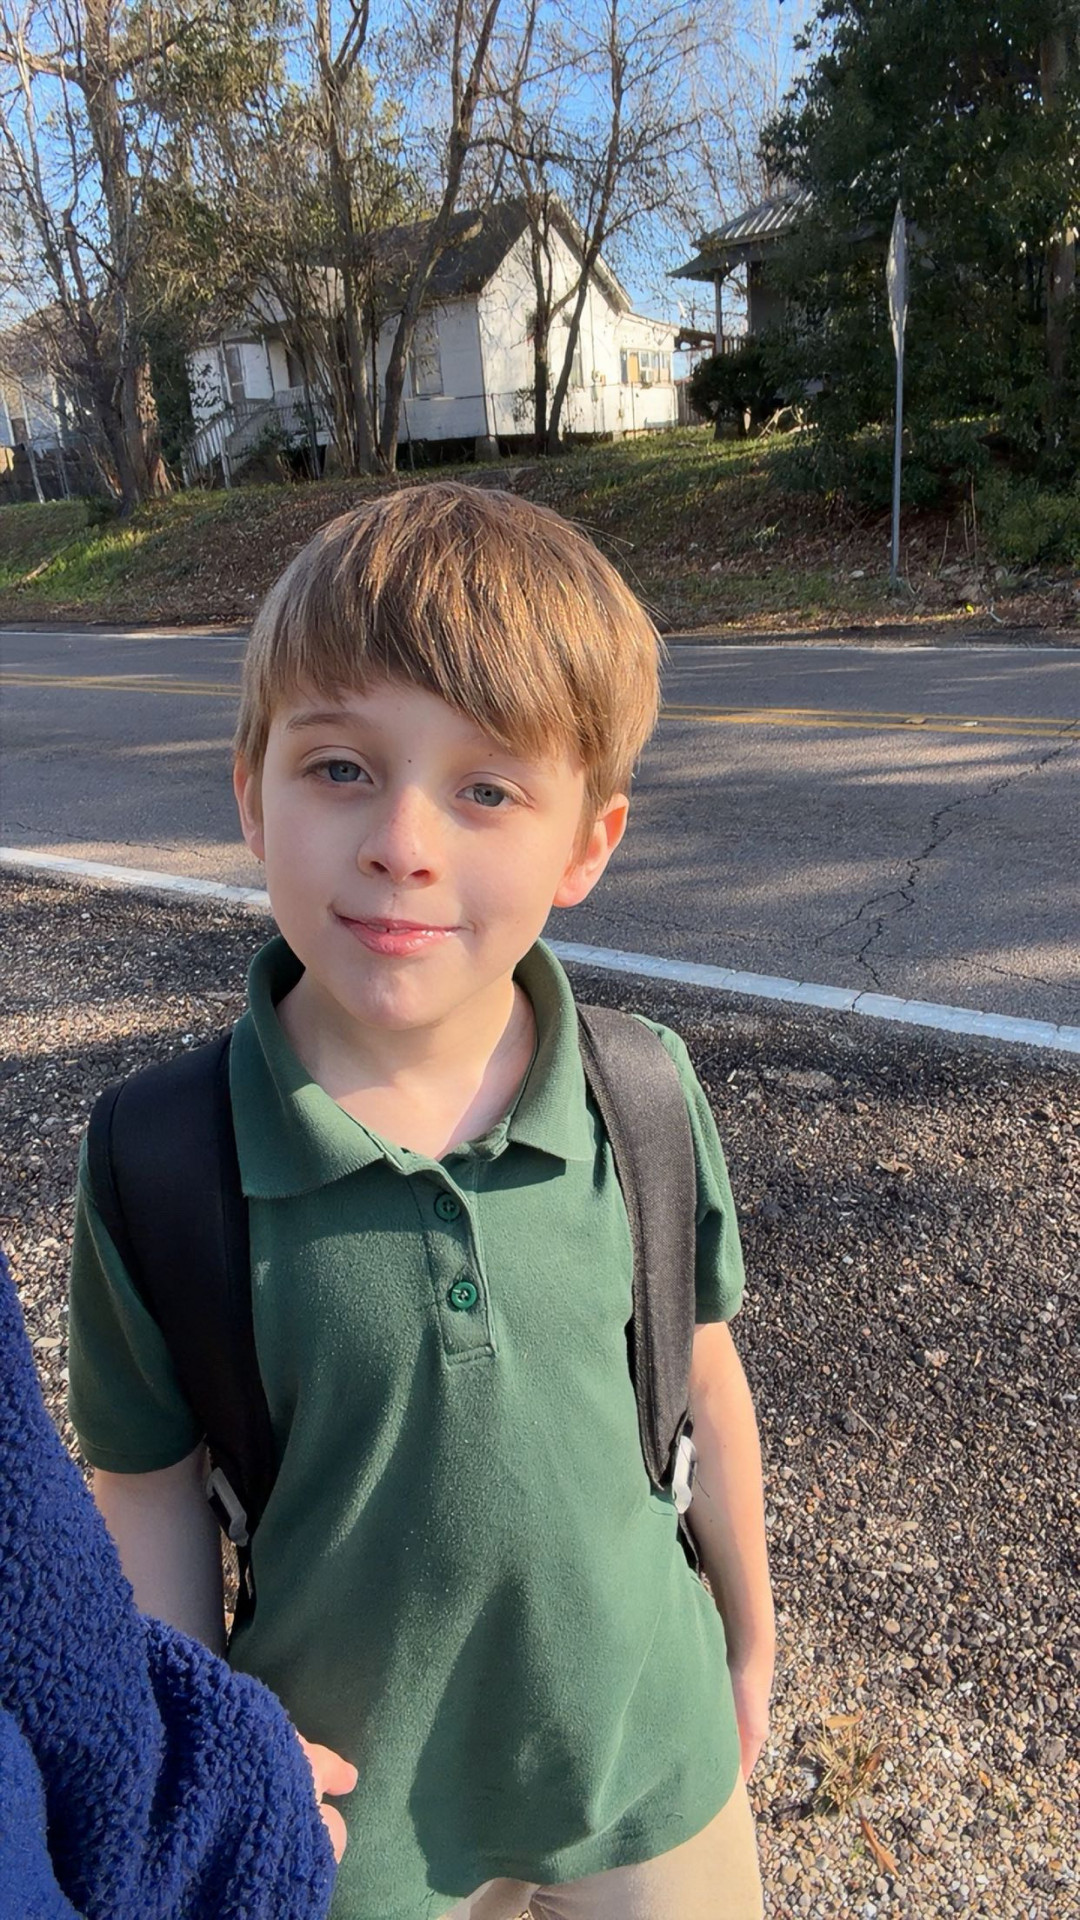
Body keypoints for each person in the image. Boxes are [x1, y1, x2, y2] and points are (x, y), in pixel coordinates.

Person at [67, 483, 774, 1920]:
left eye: (486, 790)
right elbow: (145, 1493)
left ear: (588, 844)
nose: (403, 840)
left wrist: (751, 1638)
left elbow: (701, 1379)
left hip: (650, 1762)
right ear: (251, 792)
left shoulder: (641, 1094)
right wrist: (198, 1760)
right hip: (354, 1824)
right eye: (340, 767)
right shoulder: (162, 1157)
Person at [0, 1244, 355, 1920]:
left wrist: (211, 1798)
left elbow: (33, 1584)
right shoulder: (152, 1178)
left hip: (584, 1788)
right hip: (348, 1818)